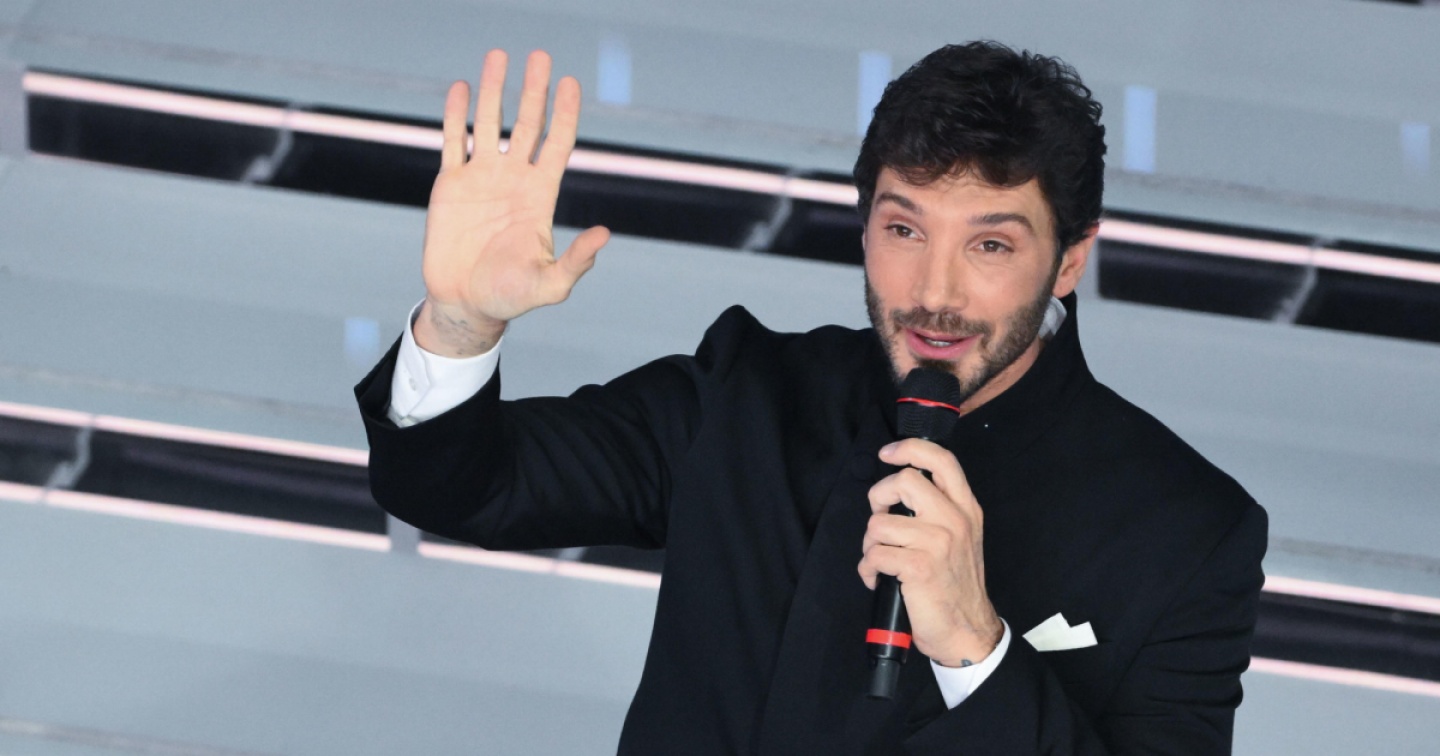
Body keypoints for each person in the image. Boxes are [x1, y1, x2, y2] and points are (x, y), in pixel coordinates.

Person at [356, 41, 1267, 754]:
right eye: (904, 229)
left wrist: (976, 647)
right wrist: (462, 321)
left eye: (990, 245)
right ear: (863, 227)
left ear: (1070, 260)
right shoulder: (746, 392)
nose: (935, 291)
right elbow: (461, 487)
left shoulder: (1188, 532)